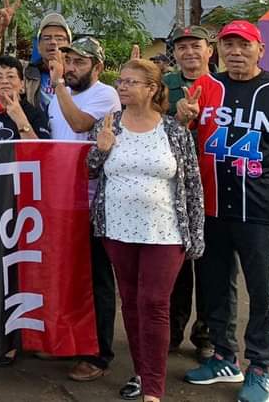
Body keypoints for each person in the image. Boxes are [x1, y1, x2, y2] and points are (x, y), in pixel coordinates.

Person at [179, 20, 269, 402]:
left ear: (260, 49)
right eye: (228, 45)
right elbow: (183, 132)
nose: (235, 52)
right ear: (218, 50)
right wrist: (182, 116)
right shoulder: (206, 86)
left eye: (244, 45)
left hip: (260, 213)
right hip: (211, 210)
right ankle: (223, 357)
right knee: (215, 289)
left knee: (263, 295)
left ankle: (260, 368)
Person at [88, 59, 205, 402]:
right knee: (132, 304)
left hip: (165, 232)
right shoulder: (108, 125)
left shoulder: (175, 131)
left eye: (131, 82)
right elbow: (91, 171)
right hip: (118, 230)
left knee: (154, 303)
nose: (122, 87)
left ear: (152, 89)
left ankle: (153, 389)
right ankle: (140, 373)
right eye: (121, 81)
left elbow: (193, 187)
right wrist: (101, 148)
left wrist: (195, 236)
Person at [45, 36, 122, 383]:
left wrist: (59, 83)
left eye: (79, 62)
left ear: (98, 67)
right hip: (61, 200)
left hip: (94, 203)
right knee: (67, 276)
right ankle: (69, 342)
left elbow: (78, 124)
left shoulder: (106, 95)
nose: (71, 67)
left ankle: (98, 353)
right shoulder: (55, 95)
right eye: (68, 60)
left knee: (97, 282)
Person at [164, 25, 216, 359]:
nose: (189, 52)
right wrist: (177, 118)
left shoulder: (224, 86)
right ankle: (170, 331)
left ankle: (207, 335)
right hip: (172, 190)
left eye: (195, 45)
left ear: (209, 50)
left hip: (212, 189)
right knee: (174, 268)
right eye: (181, 47)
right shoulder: (165, 86)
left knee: (213, 269)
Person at [0, 0, 72, 114]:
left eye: (59, 38)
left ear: (69, 45)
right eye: (46, 38)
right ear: (38, 46)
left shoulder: (79, 75)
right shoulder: (25, 71)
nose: (53, 42)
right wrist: (0, 29)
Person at [0, 55, 51, 142]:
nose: (4, 81)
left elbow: (41, 151)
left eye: (10, 76)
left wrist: (20, 119)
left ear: (22, 84)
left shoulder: (35, 114)